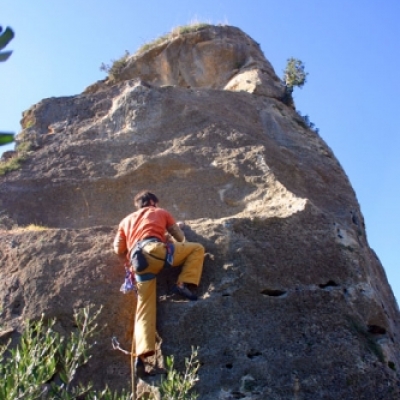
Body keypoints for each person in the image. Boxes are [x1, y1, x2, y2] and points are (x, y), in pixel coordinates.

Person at [113, 190, 205, 378]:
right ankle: (183, 283)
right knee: (197, 249)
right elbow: (180, 238)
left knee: (144, 308)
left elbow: (117, 249)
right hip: (155, 250)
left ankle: (141, 355)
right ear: (153, 202)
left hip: (138, 263)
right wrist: (171, 234)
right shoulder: (160, 212)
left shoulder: (125, 221)